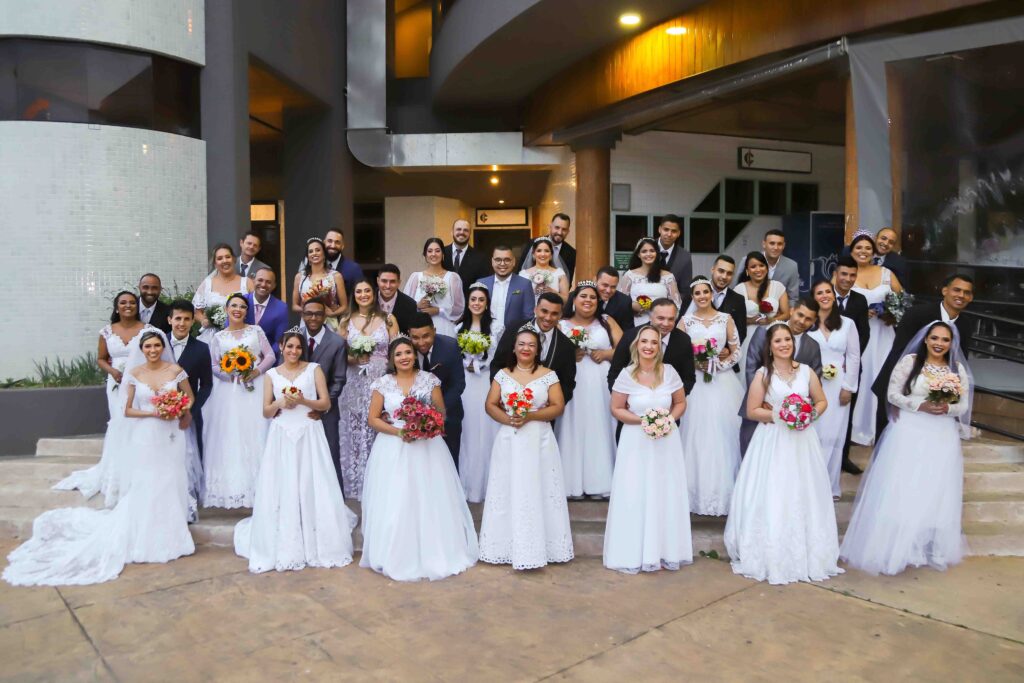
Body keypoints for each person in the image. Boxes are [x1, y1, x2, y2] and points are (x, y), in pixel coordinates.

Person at [6, 331, 195, 586]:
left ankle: (173, 533)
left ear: (163, 347)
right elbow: (126, 409)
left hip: (171, 434)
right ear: (142, 348)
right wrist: (153, 414)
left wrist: (180, 409)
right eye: (148, 346)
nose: (152, 349)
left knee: (170, 478)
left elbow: (189, 396)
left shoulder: (175, 370)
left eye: (157, 345)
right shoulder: (135, 374)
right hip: (145, 434)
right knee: (147, 481)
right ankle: (143, 535)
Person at [841, 321, 972, 575]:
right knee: (904, 486)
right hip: (909, 431)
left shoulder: (956, 369)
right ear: (925, 339)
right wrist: (918, 405)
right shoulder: (910, 362)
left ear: (951, 343)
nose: (939, 343)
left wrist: (948, 408)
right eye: (934, 338)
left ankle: (924, 546)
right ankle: (897, 546)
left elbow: (964, 405)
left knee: (934, 489)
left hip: (941, 434)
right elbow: (892, 394)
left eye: (945, 340)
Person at [724, 323, 841, 585]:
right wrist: (781, 415)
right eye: (778, 341)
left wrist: (808, 414)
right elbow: (753, 410)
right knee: (774, 489)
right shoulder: (763, 376)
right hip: (773, 440)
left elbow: (821, 401)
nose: (784, 344)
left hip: (802, 440)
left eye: (787, 339)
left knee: (803, 490)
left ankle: (808, 551)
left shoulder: (807, 372)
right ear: (770, 346)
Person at [233, 331, 357, 574]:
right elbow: (266, 411)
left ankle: (318, 537)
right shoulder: (270, 375)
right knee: (285, 483)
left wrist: (303, 401)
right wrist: (280, 403)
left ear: (302, 349)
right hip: (282, 434)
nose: (293, 351)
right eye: (289, 346)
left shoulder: (314, 369)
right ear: (281, 347)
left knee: (312, 482)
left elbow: (325, 404)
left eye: (298, 347)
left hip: (309, 432)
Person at [360, 337, 478, 581]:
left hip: (427, 448)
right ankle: (393, 553)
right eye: (399, 354)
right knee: (396, 499)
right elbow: (373, 419)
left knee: (428, 497)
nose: (404, 357)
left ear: (415, 355)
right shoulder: (382, 384)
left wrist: (425, 426)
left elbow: (440, 412)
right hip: (393, 447)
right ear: (392, 359)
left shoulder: (429, 380)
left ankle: (436, 550)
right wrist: (399, 431)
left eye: (408, 352)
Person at [479, 327, 573, 570]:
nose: (525, 348)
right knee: (508, 487)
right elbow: (490, 404)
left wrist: (531, 416)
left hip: (539, 438)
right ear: (514, 347)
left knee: (539, 487)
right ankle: (503, 546)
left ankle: (544, 547)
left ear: (538, 349)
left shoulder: (548, 375)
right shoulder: (503, 374)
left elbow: (558, 406)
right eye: (521, 344)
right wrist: (509, 419)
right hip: (510, 438)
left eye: (531, 345)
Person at [53, 292, 157, 505]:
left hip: (142, 382)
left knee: (140, 422)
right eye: (123, 303)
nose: (128, 306)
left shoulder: (148, 330)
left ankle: (140, 469)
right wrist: (113, 371)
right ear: (116, 307)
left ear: (137, 306)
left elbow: (155, 354)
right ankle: (118, 471)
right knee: (120, 422)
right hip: (116, 383)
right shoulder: (107, 332)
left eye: (131, 303)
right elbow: (100, 358)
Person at [603, 325, 692, 574]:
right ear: (637, 344)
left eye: (654, 342)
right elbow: (617, 408)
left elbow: (680, 402)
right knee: (636, 489)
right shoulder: (626, 374)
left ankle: (665, 551)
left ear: (659, 346)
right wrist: (644, 421)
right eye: (644, 341)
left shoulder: (670, 372)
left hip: (666, 440)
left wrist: (668, 421)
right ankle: (635, 551)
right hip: (635, 440)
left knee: (665, 490)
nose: (649, 346)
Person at [872, 274, 975, 441]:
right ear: (945, 290)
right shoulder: (917, 313)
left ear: (971, 297)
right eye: (957, 290)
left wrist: (949, 398)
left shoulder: (966, 324)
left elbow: (957, 362)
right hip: (901, 385)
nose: (961, 295)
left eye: (966, 292)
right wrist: (900, 399)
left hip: (937, 397)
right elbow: (899, 352)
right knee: (888, 442)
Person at [677, 277, 744, 515]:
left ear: (712, 294)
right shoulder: (685, 321)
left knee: (723, 434)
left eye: (706, 292)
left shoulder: (725, 319)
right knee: (695, 434)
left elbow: (737, 350)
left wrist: (719, 365)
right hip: (696, 384)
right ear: (692, 297)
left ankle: (725, 493)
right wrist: (696, 363)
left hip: (723, 383)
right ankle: (692, 493)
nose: (703, 296)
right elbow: (677, 350)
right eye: (697, 293)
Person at [202, 293, 274, 508]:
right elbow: (214, 365)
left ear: (246, 311)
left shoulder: (256, 331)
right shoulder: (218, 337)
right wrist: (229, 373)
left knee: (256, 431)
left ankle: (261, 486)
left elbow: (269, 355)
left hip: (255, 386)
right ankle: (232, 488)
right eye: (233, 306)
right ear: (226, 309)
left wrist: (256, 371)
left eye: (242, 306)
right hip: (228, 392)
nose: (238, 309)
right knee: (230, 434)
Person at [556, 281, 621, 498]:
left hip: (599, 382)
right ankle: (570, 484)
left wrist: (606, 354)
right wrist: (568, 355)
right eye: (583, 296)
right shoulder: (561, 323)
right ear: (574, 299)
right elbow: (549, 349)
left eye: (593, 297)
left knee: (599, 425)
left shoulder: (606, 321)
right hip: (571, 381)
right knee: (572, 424)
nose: (588, 300)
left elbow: (625, 348)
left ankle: (600, 482)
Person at [337, 279, 399, 500]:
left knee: (378, 425)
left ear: (374, 294)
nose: (363, 295)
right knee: (355, 428)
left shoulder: (388, 319)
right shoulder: (345, 320)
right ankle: (356, 482)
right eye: (358, 291)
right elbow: (339, 353)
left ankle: (379, 483)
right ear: (353, 295)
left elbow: (396, 350)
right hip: (354, 380)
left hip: (380, 379)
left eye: (367, 291)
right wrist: (354, 358)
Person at [738, 300, 823, 455]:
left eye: (808, 319)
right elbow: (751, 366)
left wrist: (801, 411)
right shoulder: (763, 332)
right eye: (800, 315)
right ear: (791, 311)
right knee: (752, 455)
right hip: (761, 408)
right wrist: (762, 400)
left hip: (795, 421)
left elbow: (815, 378)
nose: (802, 321)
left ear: (814, 322)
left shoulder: (813, 346)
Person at [848, 232, 904, 446]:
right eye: (859, 248)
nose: (863, 252)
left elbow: (903, 301)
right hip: (857, 334)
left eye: (867, 248)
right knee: (859, 375)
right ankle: (856, 428)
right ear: (852, 251)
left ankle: (881, 427)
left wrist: (890, 314)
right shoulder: (844, 274)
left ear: (874, 252)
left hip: (883, 333)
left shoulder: (886, 274)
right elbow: (833, 304)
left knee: (882, 375)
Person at [807, 279, 861, 498]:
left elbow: (854, 356)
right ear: (814, 297)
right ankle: (810, 484)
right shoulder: (807, 321)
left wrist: (848, 386)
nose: (825, 295)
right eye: (819, 292)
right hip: (812, 382)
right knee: (813, 432)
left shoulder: (847, 323)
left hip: (838, 383)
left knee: (834, 433)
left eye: (828, 291)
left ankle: (829, 486)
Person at [456, 283, 503, 502]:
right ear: (468, 302)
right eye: (473, 299)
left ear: (487, 304)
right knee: (469, 431)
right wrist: (467, 363)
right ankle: (469, 486)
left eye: (481, 300)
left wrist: (481, 366)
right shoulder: (459, 328)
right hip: (467, 384)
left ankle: (490, 487)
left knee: (488, 429)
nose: (476, 303)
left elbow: (500, 356)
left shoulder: (496, 327)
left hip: (486, 382)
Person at [167, 300, 211, 517]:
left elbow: (207, 385)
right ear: (169, 320)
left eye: (186, 319)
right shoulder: (157, 344)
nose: (182, 323)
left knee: (187, 458)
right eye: (178, 318)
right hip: (160, 416)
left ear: (193, 320)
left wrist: (191, 412)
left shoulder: (202, 349)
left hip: (189, 414)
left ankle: (188, 503)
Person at [491, 293, 577, 404]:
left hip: (543, 414)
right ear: (535, 309)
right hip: (508, 406)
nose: (548, 318)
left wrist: (551, 407)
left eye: (554, 314)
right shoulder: (514, 330)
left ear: (560, 315)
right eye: (544, 311)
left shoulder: (566, 346)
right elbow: (497, 365)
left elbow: (568, 384)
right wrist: (501, 398)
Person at [300, 299, 348, 489]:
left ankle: (335, 503)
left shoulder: (337, 342)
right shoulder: (293, 339)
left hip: (326, 410)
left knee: (329, 454)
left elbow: (339, 379)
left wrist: (322, 406)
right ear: (302, 316)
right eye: (309, 313)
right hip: (297, 409)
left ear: (325, 316)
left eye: (318, 314)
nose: (313, 317)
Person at [408, 313, 466, 466]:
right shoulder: (405, 351)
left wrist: (435, 412)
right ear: (409, 335)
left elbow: (458, 384)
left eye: (426, 336)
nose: (421, 342)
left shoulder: (450, 346)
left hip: (449, 415)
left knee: (449, 463)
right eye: (415, 337)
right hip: (414, 420)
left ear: (434, 330)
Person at [608, 298, 696, 398]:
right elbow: (615, 373)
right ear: (650, 317)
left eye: (671, 319)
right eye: (661, 318)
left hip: (668, 406)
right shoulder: (631, 336)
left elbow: (688, 378)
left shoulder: (683, 340)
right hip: (633, 402)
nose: (666, 324)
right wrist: (623, 403)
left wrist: (674, 403)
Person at [832, 256, 870, 475]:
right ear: (836, 273)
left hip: (851, 366)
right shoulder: (822, 295)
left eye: (852, 275)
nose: (847, 279)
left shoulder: (859, 301)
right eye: (844, 274)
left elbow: (864, 334)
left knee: (847, 412)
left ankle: (843, 457)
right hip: (824, 365)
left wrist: (850, 359)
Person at [404, 237, 465, 338]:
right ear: (425, 254)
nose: (433, 254)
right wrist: (417, 305)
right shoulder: (415, 277)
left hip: (444, 327)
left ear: (443, 254)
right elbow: (405, 305)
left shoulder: (453, 278)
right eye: (430, 251)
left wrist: (438, 310)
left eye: (437, 251)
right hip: (420, 329)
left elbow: (458, 309)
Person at [679, 255, 747, 345]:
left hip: (723, 356)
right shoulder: (692, 293)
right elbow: (681, 321)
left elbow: (741, 332)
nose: (724, 276)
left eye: (729, 273)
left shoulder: (738, 300)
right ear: (712, 270)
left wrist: (728, 349)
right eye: (721, 271)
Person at [193, 243, 251, 345]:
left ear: (234, 259)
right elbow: (197, 312)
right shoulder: (207, 284)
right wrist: (204, 321)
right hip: (211, 337)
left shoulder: (247, 283)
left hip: (239, 335)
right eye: (219, 258)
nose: (224, 261)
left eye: (227, 257)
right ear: (215, 263)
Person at [617, 237, 682, 326]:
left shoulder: (668, 277)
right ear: (638, 254)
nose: (648, 254)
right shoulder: (629, 275)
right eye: (644, 251)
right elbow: (620, 301)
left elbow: (677, 305)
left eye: (652, 251)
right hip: (635, 324)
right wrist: (632, 306)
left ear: (657, 253)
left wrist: (666, 320)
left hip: (661, 325)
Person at [292, 238, 348, 331]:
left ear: (324, 254)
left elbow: (344, 306)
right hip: (307, 323)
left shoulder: (336, 276)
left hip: (329, 324)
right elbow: (294, 306)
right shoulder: (300, 277)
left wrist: (331, 313)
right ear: (308, 257)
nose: (314, 253)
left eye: (318, 250)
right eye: (310, 251)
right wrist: (308, 311)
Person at [477, 246, 534, 329]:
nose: (502, 264)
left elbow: (528, 316)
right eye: (498, 260)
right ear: (492, 262)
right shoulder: (481, 283)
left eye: (507, 260)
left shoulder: (525, 284)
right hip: (485, 335)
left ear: (513, 262)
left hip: (512, 337)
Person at [297, 229, 365, 297]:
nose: (333, 245)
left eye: (337, 242)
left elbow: (359, 295)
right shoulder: (310, 265)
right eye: (330, 241)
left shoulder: (353, 269)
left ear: (342, 246)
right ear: (324, 243)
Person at [245, 267, 289, 363]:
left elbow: (280, 340)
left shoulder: (281, 308)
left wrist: (265, 358)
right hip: (239, 357)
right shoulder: (241, 302)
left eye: (268, 282)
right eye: (260, 280)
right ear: (253, 280)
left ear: (274, 286)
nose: (263, 285)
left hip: (267, 361)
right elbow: (229, 327)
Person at [443, 218, 492, 300]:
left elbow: (482, 287)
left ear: (470, 234)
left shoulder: (480, 258)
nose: (462, 232)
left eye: (465, 230)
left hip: (468, 308)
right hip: (442, 306)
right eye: (458, 229)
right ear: (452, 232)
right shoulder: (441, 253)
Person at [518, 212, 576, 281]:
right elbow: (520, 269)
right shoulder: (533, 243)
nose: (560, 232)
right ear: (550, 226)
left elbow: (568, 280)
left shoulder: (571, 252)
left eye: (564, 229)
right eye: (557, 228)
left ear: (568, 231)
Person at [841, 227, 908, 286]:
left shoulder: (898, 262)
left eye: (891, 242)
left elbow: (901, 291)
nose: (886, 243)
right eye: (883, 238)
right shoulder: (850, 251)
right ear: (875, 238)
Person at [520, 236, 570, 301]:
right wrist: (532, 292)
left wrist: (553, 292)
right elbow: (519, 299)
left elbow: (566, 300)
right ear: (533, 254)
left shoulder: (559, 274)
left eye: (546, 251)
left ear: (551, 255)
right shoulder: (524, 274)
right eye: (539, 251)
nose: (543, 254)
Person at [655, 214, 693, 293]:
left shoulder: (685, 257)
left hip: (672, 304)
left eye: (674, 231)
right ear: (659, 229)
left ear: (679, 233)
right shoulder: (645, 248)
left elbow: (685, 290)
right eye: (666, 229)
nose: (669, 234)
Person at [376, 263, 418, 333]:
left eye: (392, 281)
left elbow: (410, 334)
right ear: (378, 280)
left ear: (399, 282)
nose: (388, 286)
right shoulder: (368, 299)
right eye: (384, 281)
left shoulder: (410, 305)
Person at [762, 229, 800, 304]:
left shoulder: (791, 266)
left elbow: (793, 297)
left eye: (779, 244)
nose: (776, 247)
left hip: (781, 313)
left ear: (784, 246)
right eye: (772, 243)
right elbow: (737, 287)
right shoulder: (748, 260)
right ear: (764, 244)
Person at [594, 266, 634, 332]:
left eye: (613, 287)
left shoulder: (624, 302)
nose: (608, 290)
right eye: (605, 285)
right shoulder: (581, 296)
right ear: (595, 280)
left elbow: (628, 333)